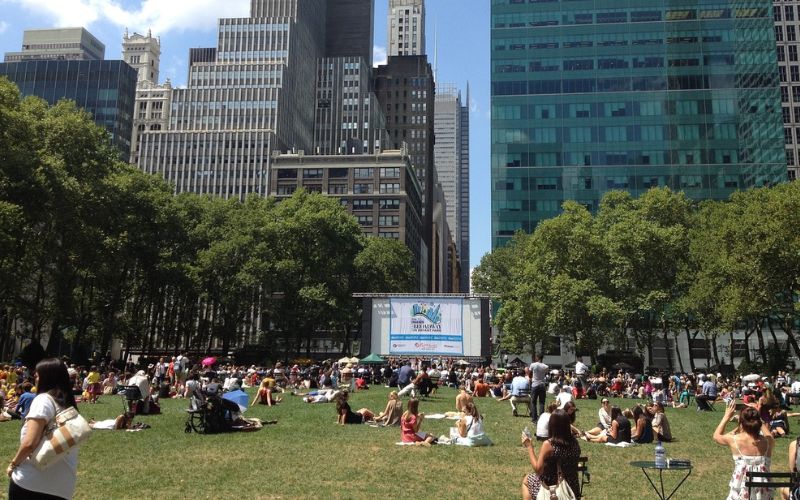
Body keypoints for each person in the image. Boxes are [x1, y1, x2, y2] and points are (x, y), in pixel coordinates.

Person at [7, 358, 81, 499]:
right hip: (63, 486)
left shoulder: (43, 400)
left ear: (47, 378)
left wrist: (13, 464)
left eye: (37, 375)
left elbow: (29, 443)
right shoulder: (68, 406)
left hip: (32, 482)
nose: (35, 379)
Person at [714, 399, 774, 500]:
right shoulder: (768, 442)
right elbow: (768, 434)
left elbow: (716, 436)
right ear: (758, 422)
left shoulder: (734, 439)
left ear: (741, 423)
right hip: (763, 495)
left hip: (740, 494)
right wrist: (758, 417)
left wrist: (727, 416)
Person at [521, 409, 581, 500]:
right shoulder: (574, 442)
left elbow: (538, 470)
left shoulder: (549, 445)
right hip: (573, 489)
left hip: (554, 489)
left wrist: (529, 447)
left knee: (527, 480)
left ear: (552, 425)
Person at [529, 355, 548, 423]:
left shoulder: (533, 365)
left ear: (537, 358)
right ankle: (541, 419)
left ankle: (534, 419)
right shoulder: (545, 366)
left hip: (535, 384)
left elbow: (530, 374)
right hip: (542, 385)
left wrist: (531, 378)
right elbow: (545, 374)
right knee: (542, 402)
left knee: (533, 402)